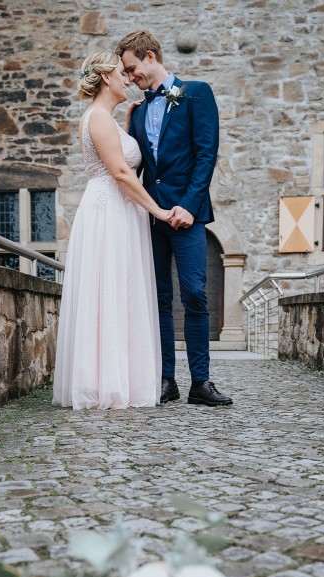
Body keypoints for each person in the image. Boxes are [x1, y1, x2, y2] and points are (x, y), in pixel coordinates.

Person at [116, 31, 232, 407]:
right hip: (151, 216)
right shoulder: (138, 110)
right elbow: (138, 167)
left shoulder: (197, 92)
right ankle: (166, 380)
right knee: (159, 299)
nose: (130, 78)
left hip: (187, 215)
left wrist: (188, 204)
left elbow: (206, 155)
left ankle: (201, 382)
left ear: (150, 56)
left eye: (132, 69)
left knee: (195, 295)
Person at [52, 51, 173, 410]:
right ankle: (105, 384)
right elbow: (121, 174)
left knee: (119, 292)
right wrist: (159, 212)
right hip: (110, 210)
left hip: (117, 210)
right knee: (109, 290)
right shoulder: (99, 119)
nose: (128, 78)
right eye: (122, 72)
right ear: (105, 77)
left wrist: (128, 122)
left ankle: (115, 378)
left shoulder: (106, 118)